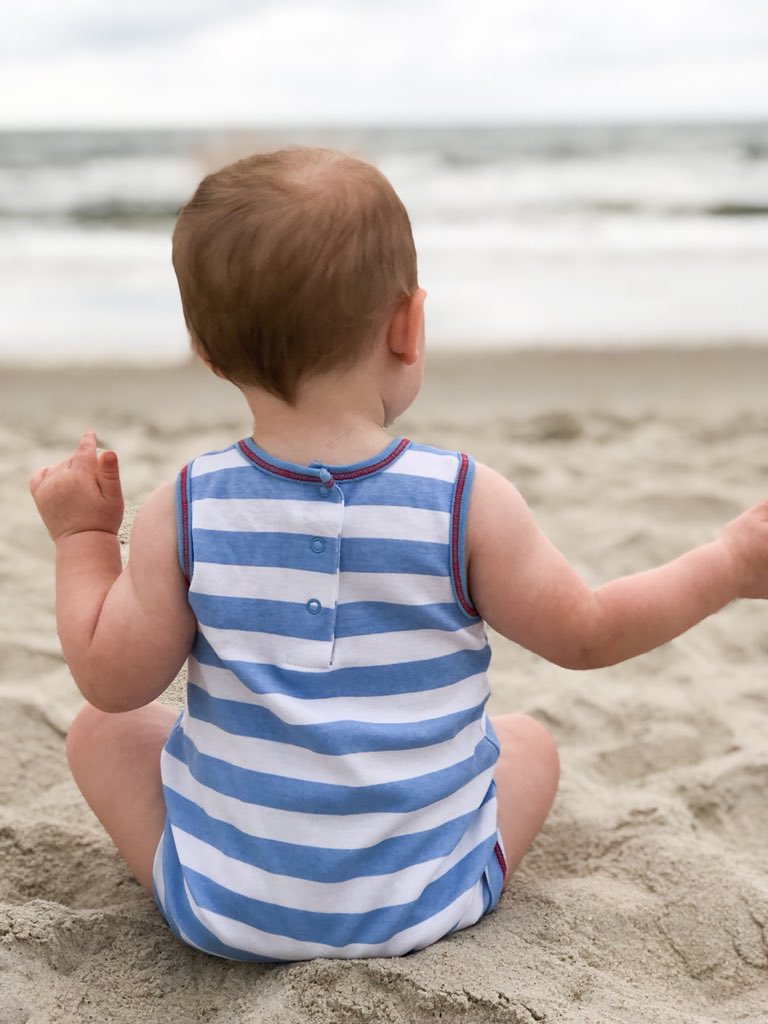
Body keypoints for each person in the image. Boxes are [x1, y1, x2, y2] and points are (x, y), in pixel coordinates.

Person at [29, 147, 768, 963]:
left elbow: (111, 680)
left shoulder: (188, 506)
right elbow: (588, 633)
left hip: (230, 917)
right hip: (428, 907)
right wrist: (727, 563)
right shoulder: (464, 499)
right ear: (407, 325)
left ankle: (240, 882)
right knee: (530, 742)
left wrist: (84, 540)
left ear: (206, 351)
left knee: (100, 731)